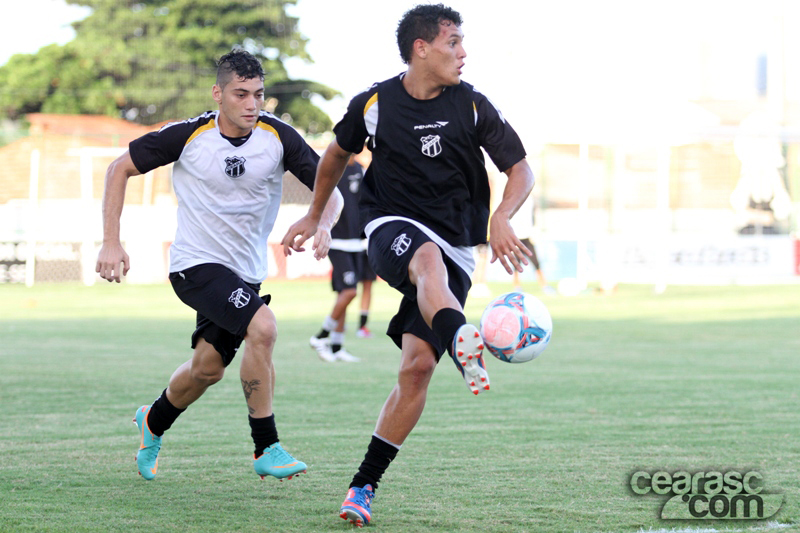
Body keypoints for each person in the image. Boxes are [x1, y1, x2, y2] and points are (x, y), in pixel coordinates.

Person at [281, 4, 535, 526]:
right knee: (425, 260)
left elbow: (520, 168)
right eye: (453, 43)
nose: (463, 53)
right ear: (422, 47)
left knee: (417, 367)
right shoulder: (374, 103)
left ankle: (362, 486)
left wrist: (504, 217)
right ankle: (463, 338)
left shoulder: (470, 105)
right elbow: (333, 157)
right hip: (389, 224)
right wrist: (316, 215)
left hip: (459, 243)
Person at [95, 49, 343, 482]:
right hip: (195, 266)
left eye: (259, 95)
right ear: (219, 94)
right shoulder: (188, 135)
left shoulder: (279, 137)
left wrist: (322, 221)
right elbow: (119, 168)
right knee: (263, 327)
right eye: (241, 94)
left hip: (244, 273)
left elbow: (330, 187)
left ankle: (153, 420)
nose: (252, 104)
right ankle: (266, 446)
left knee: (207, 369)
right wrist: (111, 241)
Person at [309, 155, 377, 363]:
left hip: (357, 243)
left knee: (344, 293)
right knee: (349, 292)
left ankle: (337, 347)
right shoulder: (331, 168)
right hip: (336, 241)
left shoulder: (361, 170)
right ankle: (320, 336)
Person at [509, 191, 555, 294]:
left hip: (528, 236)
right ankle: (516, 286)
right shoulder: (512, 198)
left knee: (535, 262)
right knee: (516, 263)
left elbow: (533, 216)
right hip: (516, 236)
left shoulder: (530, 199)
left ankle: (544, 286)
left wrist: (534, 230)